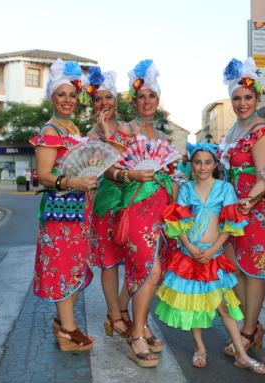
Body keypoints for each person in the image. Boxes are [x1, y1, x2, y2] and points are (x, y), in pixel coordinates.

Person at [155, 142, 265, 374]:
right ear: (192, 164)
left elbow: (230, 224)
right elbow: (177, 222)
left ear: (215, 164)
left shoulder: (225, 188)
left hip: (213, 255)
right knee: (195, 305)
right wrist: (188, 247)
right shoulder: (186, 189)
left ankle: (242, 354)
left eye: (208, 162)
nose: (202, 167)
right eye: (197, 162)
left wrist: (213, 250)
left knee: (224, 307)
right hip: (190, 256)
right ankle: (200, 348)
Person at [107, 59, 172, 367]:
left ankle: (134, 320)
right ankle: (136, 333)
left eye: (152, 96)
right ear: (134, 101)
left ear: (158, 101)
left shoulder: (161, 136)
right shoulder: (123, 131)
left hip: (160, 211)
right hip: (134, 209)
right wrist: (128, 176)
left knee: (146, 269)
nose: (147, 102)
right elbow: (108, 167)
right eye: (142, 97)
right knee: (150, 270)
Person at [29, 59, 96, 352]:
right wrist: (76, 183)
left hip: (77, 210)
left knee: (71, 266)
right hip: (60, 212)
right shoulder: (50, 130)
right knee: (61, 267)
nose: (67, 100)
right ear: (52, 98)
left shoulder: (71, 126)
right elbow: (44, 176)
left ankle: (63, 322)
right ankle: (68, 330)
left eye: (71, 95)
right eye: (61, 95)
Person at [218, 58, 265, 358]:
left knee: (253, 272)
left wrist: (249, 202)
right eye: (237, 98)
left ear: (257, 98)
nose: (242, 103)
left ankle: (248, 330)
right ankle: (252, 326)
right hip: (230, 209)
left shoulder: (262, 132)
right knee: (233, 269)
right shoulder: (233, 131)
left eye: (248, 97)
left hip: (254, 209)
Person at [85, 66, 131, 339]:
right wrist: (103, 130)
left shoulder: (128, 129)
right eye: (98, 99)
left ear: (116, 100)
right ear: (93, 104)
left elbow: (134, 159)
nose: (104, 104)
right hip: (106, 203)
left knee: (138, 262)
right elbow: (109, 165)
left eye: (108, 98)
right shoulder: (91, 136)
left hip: (132, 201)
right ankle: (114, 315)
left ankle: (122, 306)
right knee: (110, 263)